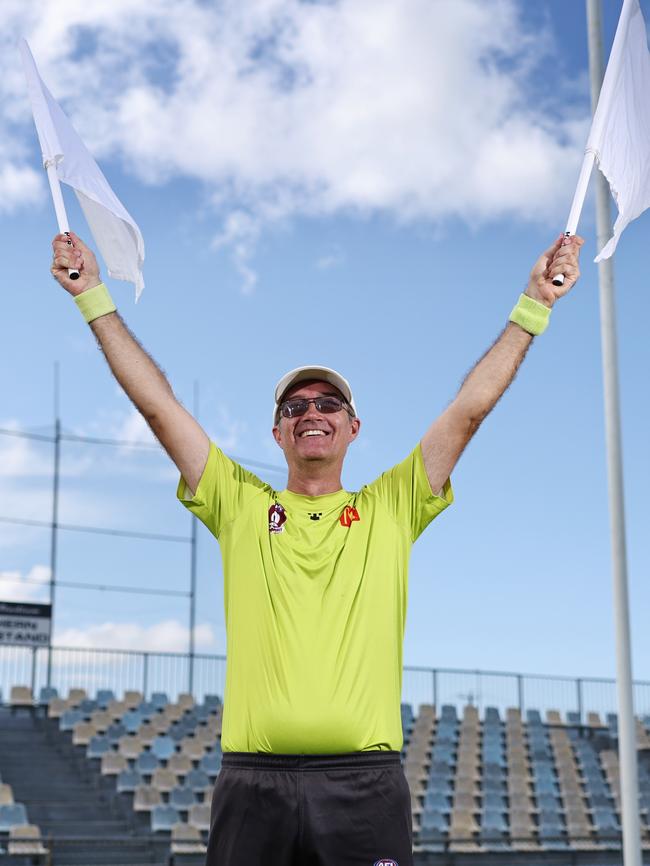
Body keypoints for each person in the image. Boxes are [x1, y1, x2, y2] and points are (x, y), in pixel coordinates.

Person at [51, 230, 583, 866]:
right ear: (277, 432)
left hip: (364, 786)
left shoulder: (393, 505)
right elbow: (159, 407)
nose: (312, 411)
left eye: (329, 402)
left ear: (353, 427)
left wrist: (534, 304)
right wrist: (93, 296)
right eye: (295, 404)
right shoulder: (238, 502)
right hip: (252, 785)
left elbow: (469, 410)